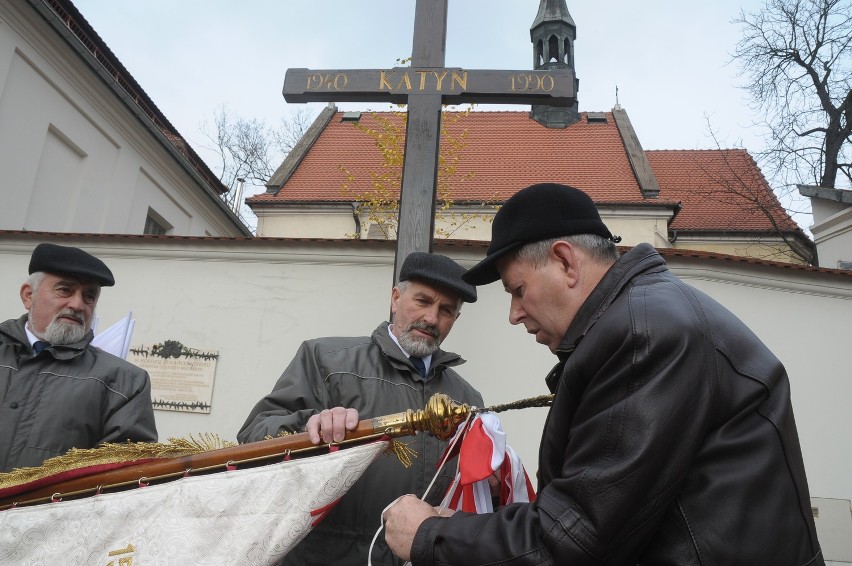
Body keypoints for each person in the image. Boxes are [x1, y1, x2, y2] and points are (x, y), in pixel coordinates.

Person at [383, 183, 824, 565]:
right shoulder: (646, 317)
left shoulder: (643, 336)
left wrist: (431, 536)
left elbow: (574, 541)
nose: (514, 315)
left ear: (566, 262)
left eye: (518, 291)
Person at [238, 251, 484, 565]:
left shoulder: (467, 399)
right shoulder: (326, 359)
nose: (432, 319)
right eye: (423, 301)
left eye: (446, 310)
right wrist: (310, 425)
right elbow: (253, 434)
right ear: (396, 298)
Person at [0, 243, 157, 473]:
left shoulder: (125, 383)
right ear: (28, 295)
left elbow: (120, 478)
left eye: (89, 296)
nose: (77, 304)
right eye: (65, 290)